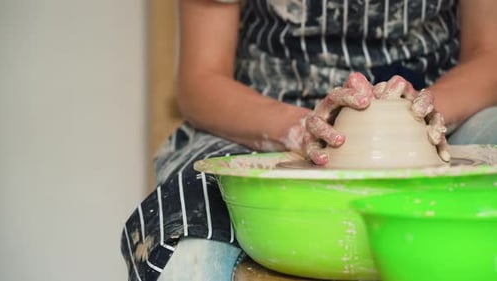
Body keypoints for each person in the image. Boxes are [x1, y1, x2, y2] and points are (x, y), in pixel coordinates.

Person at [121, 1, 497, 280]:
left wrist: (424, 110)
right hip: (266, 109)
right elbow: (199, 79)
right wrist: (300, 128)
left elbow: (489, 53)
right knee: (189, 252)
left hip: (433, 101)